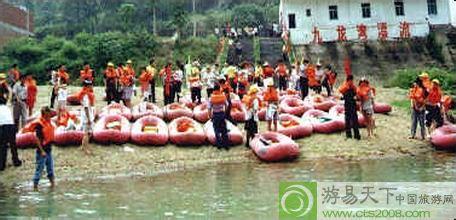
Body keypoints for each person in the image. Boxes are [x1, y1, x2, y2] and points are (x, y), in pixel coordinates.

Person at [22, 106, 55, 190]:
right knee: (39, 170)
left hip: (49, 150)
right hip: (42, 152)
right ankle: (35, 187)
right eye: (47, 115)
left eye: (49, 115)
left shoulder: (49, 122)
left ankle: (52, 185)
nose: (49, 117)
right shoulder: (40, 125)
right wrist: (42, 151)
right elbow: (37, 139)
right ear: (44, 115)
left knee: (50, 169)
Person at [0, 73, 22, 171]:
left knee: (3, 145)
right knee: (13, 144)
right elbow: (9, 93)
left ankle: (2, 164)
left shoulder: (6, 103)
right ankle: (16, 161)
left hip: (2, 125)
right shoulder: (7, 104)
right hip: (9, 123)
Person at [338, 75, 361, 140]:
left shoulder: (351, 87)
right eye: (351, 80)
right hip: (349, 105)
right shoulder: (346, 87)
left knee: (352, 120)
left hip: (351, 105)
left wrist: (356, 97)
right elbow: (340, 95)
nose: (352, 82)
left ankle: (354, 135)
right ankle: (352, 135)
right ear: (349, 80)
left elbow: (357, 95)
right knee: (350, 120)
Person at [209, 84, 230, 150]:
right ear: (219, 89)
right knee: (224, 129)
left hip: (215, 114)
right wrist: (225, 112)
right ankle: (226, 145)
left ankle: (219, 144)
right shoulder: (223, 97)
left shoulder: (211, 98)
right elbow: (227, 105)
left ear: (213, 90)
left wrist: (210, 116)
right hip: (222, 114)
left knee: (216, 130)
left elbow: (209, 108)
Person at [80, 80, 95, 155]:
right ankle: (86, 149)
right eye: (90, 85)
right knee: (87, 133)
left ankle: (83, 146)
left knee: (87, 132)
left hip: (87, 114)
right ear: (86, 86)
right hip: (87, 116)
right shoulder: (86, 95)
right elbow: (86, 107)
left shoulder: (85, 94)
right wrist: (89, 118)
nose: (92, 86)